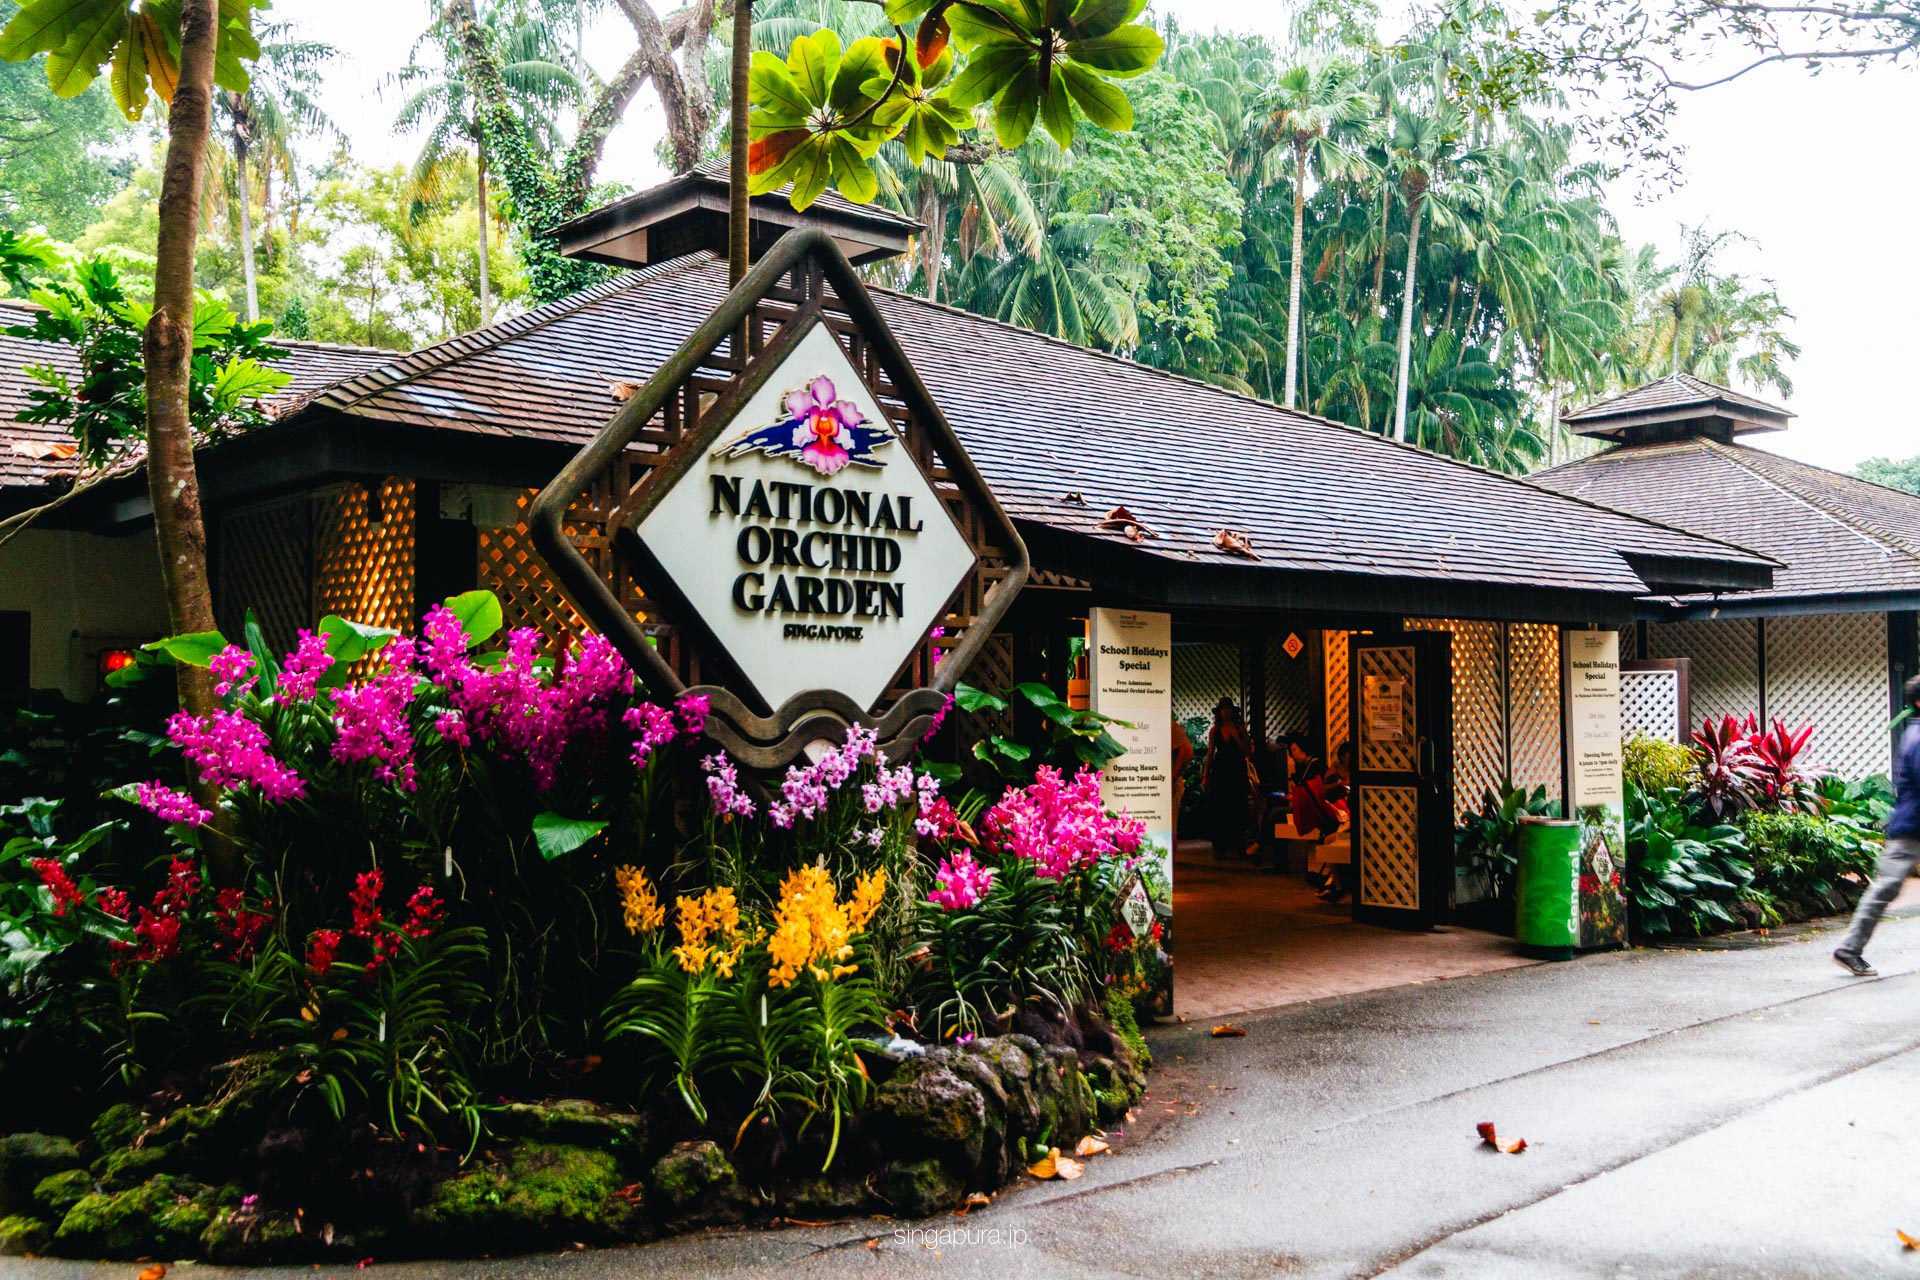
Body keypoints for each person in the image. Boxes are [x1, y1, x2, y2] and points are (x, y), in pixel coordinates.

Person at [1834, 674, 1920, 976]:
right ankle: (1849, 949)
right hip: (1910, 827)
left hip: (1911, 825)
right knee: (1885, 887)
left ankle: (1850, 948)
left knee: (1886, 888)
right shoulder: (1918, 738)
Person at [1202, 699, 1257, 860]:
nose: (1225, 712)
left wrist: (1237, 737)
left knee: (1238, 808)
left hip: (1236, 771)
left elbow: (1248, 751)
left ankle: (1239, 845)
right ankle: (1219, 847)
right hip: (1221, 772)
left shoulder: (1240, 729)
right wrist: (1205, 775)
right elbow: (1210, 754)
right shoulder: (1215, 731)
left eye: (1228, 709)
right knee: (1219, 809)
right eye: (1223, 709)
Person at [1170, 719, 1196, 838]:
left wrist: (1173, 777)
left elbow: (1187, 751)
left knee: (1169, 829)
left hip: (1169, 783)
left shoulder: (1169, 725)